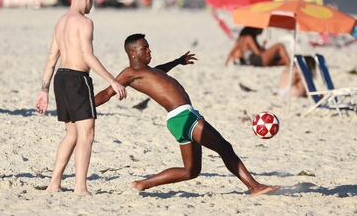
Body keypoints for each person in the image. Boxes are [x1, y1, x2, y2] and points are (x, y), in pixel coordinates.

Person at [94, 34, 279, 196]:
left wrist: (178, 61)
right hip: (183, 117)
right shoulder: (130, 73)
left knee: (191, 171)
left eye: (149, 47)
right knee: (224, 147)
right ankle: (254, 187)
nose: (150, 51)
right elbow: (107, 93)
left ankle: (143, 184)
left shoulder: (149, 71)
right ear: (133, 53)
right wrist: (84, 106)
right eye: (145, 48)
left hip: (180, 119)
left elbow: (161, 70)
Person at [35, 0, 126, 195]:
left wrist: (44, 90)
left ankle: (54, 183)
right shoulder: (85, 22)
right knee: (87, 134)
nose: (91, 4)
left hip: (60, 79)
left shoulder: (60, 22)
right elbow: (87, 55)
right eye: (92, 0)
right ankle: (80, 187)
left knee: (72, 134)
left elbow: (51, 58)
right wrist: (112, 80)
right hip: (77, 79)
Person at [225, 27, 290, 67]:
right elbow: (258, 53)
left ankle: (290, 64)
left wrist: (226, 63)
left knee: (282, 60)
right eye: (261, 29)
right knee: (279, 46)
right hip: (256, 61)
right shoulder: (249, 38)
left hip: (253, 61)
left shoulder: (241, 39)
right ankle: (291, 66)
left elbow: (232, 52)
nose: (262, 30)